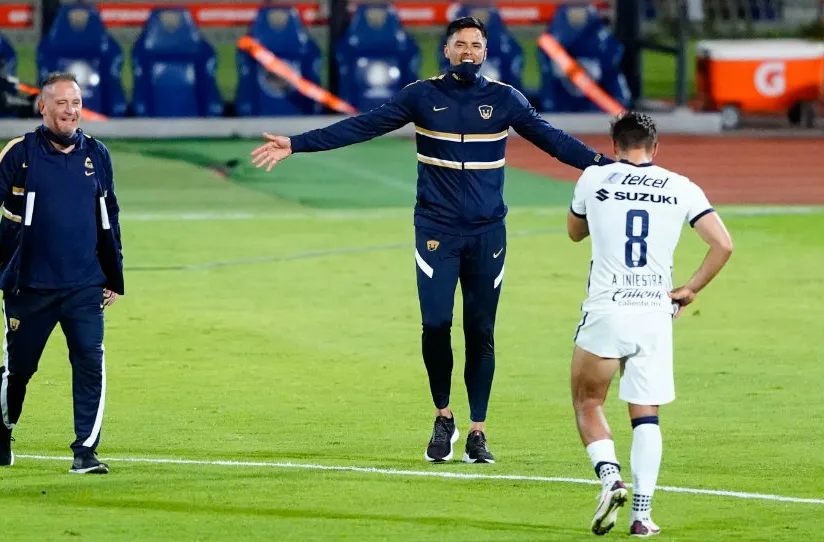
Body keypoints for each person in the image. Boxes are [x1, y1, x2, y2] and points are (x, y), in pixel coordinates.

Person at [250, 16, 614, 464]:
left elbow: (554, 141)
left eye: (475, 45)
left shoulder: (505, 100)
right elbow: (363, 126)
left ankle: (478, 431)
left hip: (487, 235)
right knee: (437, 325)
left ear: (485, 53)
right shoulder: (421, 96)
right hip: (436, 231)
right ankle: (444, 418)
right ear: (446, 50)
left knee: (481, 330)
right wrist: (297, 144)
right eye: (459, 43)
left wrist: (606, 165)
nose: (467, 51)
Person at [566, 112, 733, 535]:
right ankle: (642, 516)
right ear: (655, 148)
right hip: (655, 312)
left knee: (588, 402)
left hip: (608, 308)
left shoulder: (593, 178)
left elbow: (574, 232)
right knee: (646, 416)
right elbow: (723, 245)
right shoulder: (681, 186)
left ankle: (610, 479)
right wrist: (690, 289)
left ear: (614, 145)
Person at [0, 72, 124, 474]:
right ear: (43, 107)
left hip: (84, 285)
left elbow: (110, 216)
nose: (70, 111)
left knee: (90, 361)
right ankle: (2, 429)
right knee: (19, 372)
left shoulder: (98, 155)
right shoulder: (20, 152)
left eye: (75, 103)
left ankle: (85, 453)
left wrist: (113, 273)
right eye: (61, 103)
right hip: (29, 286)